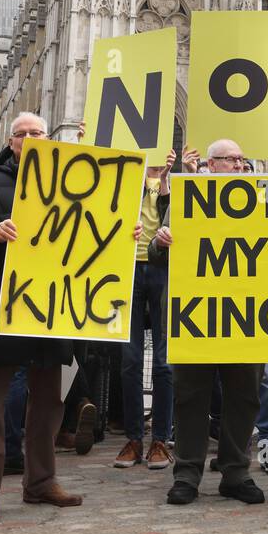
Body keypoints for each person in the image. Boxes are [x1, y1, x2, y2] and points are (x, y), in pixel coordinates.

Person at [0, 111, 81, 522]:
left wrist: (123, 233)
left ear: (48, 137)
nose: (30, 138)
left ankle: (41, 482)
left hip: (53, 306)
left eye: (38, 132)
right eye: (22, 133)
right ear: (10, 141)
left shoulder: (70, 181)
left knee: (49, 399)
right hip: (7, 304)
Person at [149, 140, 268, 507]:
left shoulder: (261, 197)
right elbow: (157, 251)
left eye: (240, 158)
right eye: (230, 159)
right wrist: (161, 241)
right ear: (211, 164)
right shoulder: (188, 197)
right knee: (191, 395)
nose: (237, 164)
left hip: (245, 311)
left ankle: (236, 471)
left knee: (244, 394)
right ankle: (187, 472)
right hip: (197, 311)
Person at [112, 150, 174, 472]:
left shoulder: (170, 183)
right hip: (127, 269)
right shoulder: (122, 176)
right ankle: (134, 438)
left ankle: (160, 439)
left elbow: (174, 218)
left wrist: (164, 181)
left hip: (161, 270)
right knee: (130, 359)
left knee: (164, 360)